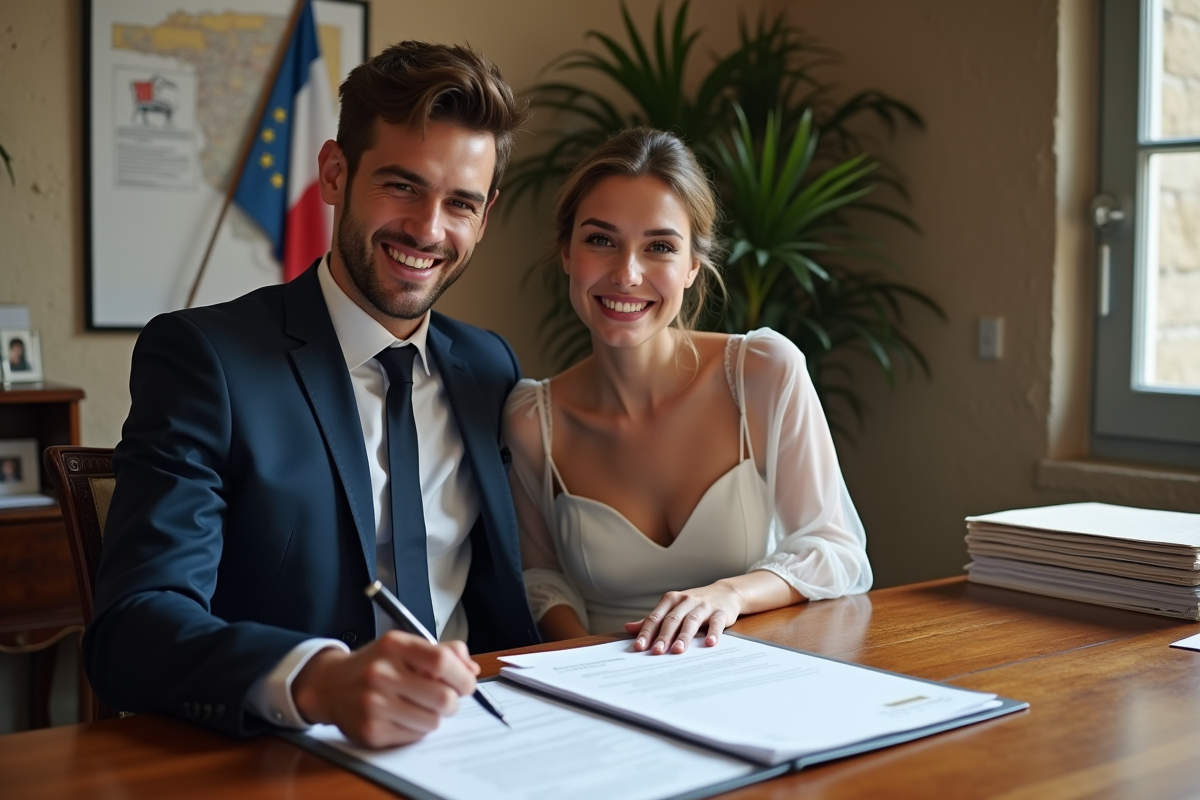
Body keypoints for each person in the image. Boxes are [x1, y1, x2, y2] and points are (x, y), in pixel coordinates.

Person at [83, 41, 540, 748]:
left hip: (493, 741)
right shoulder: (205, 360)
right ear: (334, 172)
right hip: (291, 756)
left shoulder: (490, 366)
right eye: (402, 185)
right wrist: (317, 680)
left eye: (460, 204)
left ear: (485, 216)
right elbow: (134, 626)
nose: (427, 228)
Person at [504, 128, 872, 656]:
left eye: (659, 247)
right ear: (567, 252)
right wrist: (604, 667)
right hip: (604, 687)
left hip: (754, 676)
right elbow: (541, 578)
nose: (627, 273)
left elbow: (836, 552)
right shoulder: (530, 420)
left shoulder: (762, 374)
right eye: (600, 240)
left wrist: (728, 595)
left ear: (692, 267)